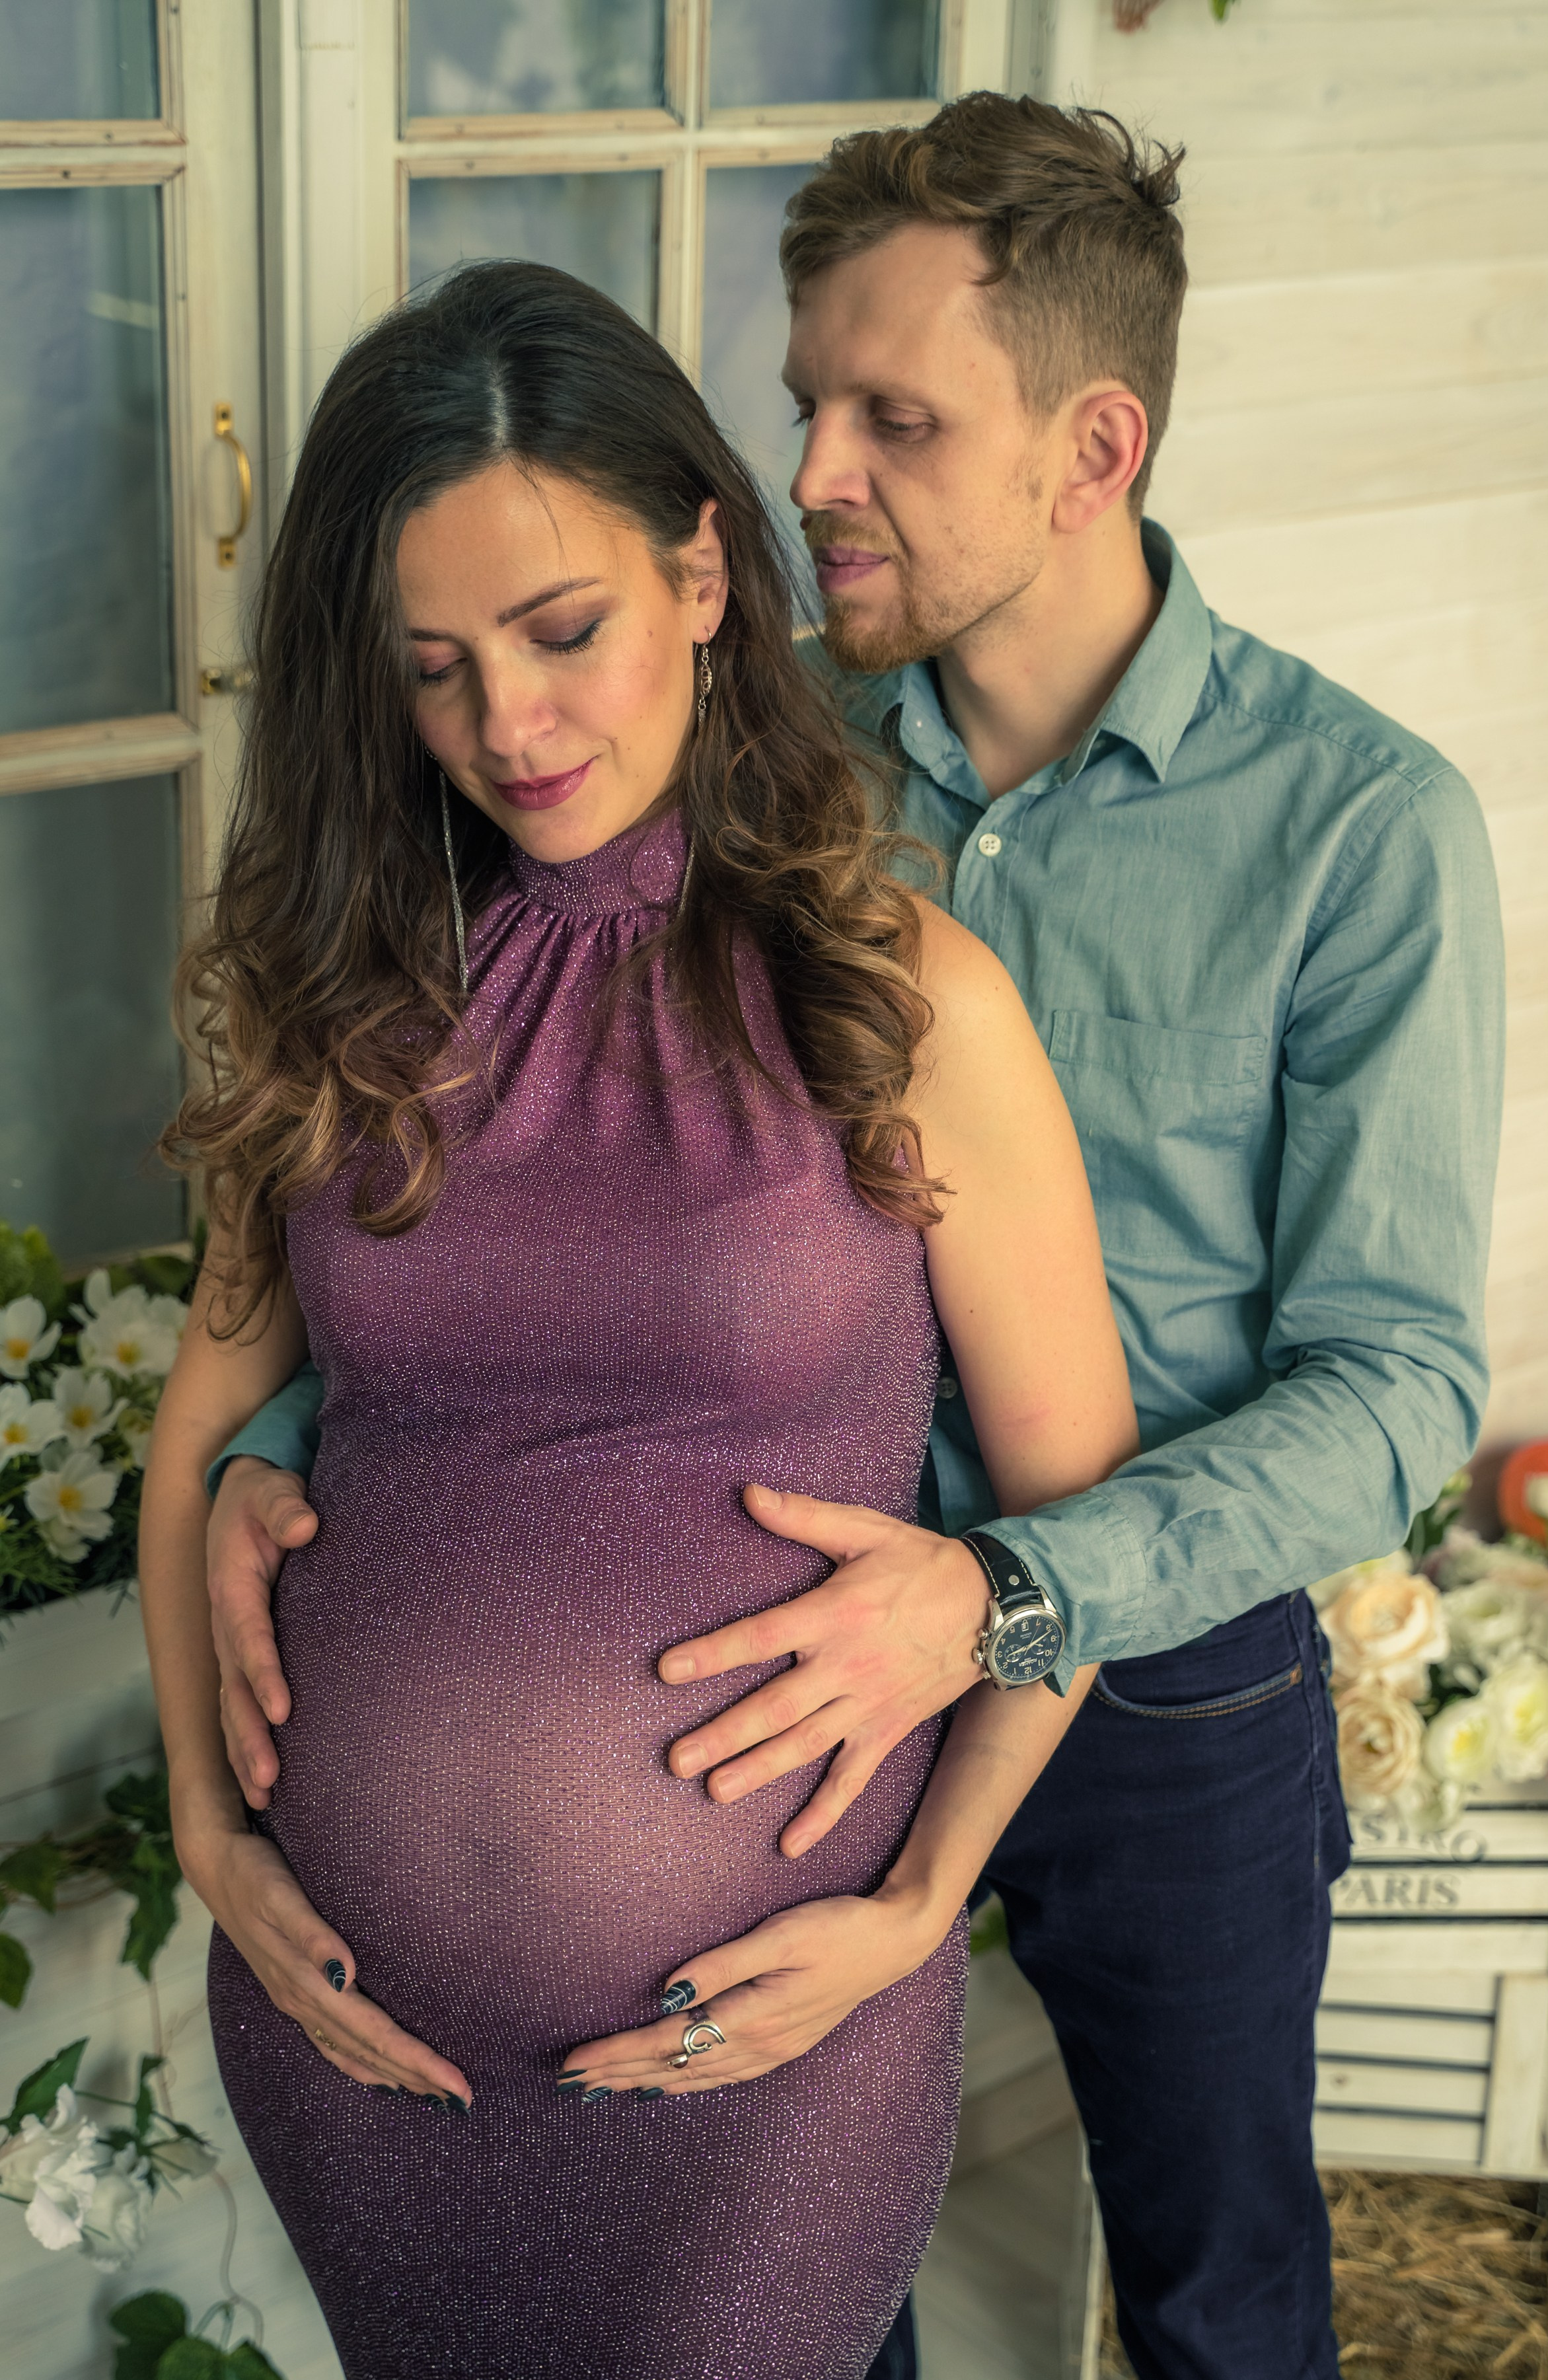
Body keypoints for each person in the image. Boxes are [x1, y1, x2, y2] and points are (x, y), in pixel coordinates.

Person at [202, 98, 1506, 2380]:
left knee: (1217, 2285)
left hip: (1148, 1651)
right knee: (826, 2287)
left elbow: (1399, 1379)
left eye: (891, 418)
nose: (811, 471)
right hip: (753, 1678)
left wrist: (999, 1593)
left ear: (1089, 447)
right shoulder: (766, 775)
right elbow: (567, 1214)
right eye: (803, 397)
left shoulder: (1355, 828)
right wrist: (277, 1445)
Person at [139, 258, 1138, 2380]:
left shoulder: (902, 997)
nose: (509, 722)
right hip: (361, 2050)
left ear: (703, 568)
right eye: (435, 667)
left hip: (763, 2057)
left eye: (562, 630)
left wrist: (920, 1898)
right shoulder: (352, 1003)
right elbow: (191, 1438)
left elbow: (1072, 1512)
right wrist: (214, 1841)